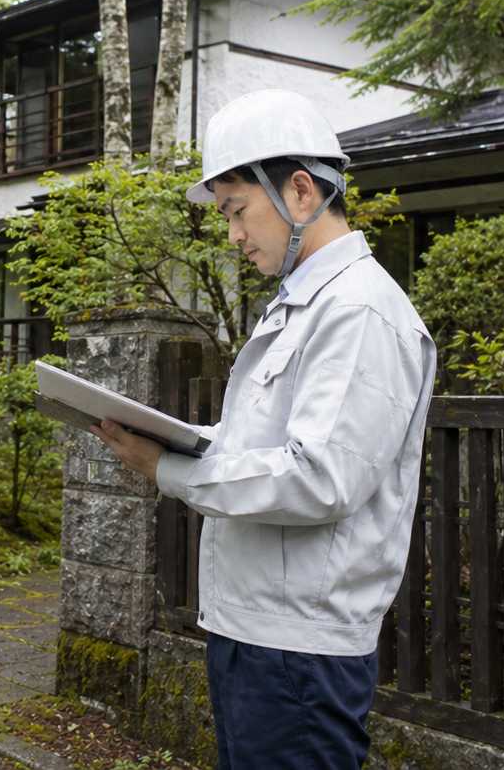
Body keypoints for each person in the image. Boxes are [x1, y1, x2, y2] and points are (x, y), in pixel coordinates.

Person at [90, 89, 436, 769]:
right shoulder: (306, 303)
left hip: (298, 647)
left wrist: (171, 468)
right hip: (259, 633)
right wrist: (179, 437)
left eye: (236, 210)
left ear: (301, 191)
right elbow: (270, 445)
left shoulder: (360, 311)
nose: (233, 235)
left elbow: (317, 477)